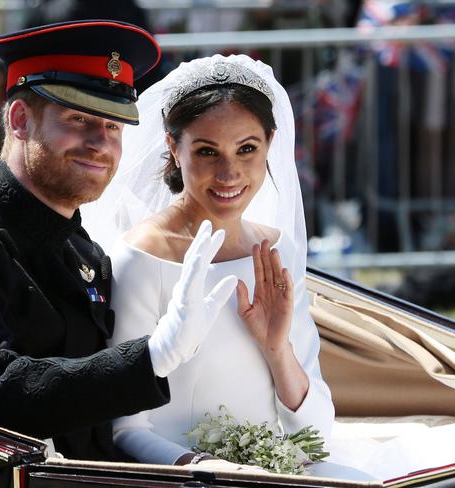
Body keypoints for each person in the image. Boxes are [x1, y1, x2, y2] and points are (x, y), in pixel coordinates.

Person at [0, 20, 239, 462]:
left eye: (114, 126)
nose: (100, 143)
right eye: (79, 119)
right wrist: (153, 357)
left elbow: (97, 425)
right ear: (21, 120)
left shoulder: (82, 252)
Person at [82, 54, 336, 469]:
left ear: (270, 144)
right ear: (173, 147)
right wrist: (208, 471)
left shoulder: (277, 250)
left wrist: (277, 350)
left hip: (281, 472)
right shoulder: (141, 257)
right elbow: (125, 428)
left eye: (247, 149)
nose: (229, 173)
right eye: (207, 151)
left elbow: (317, 435)